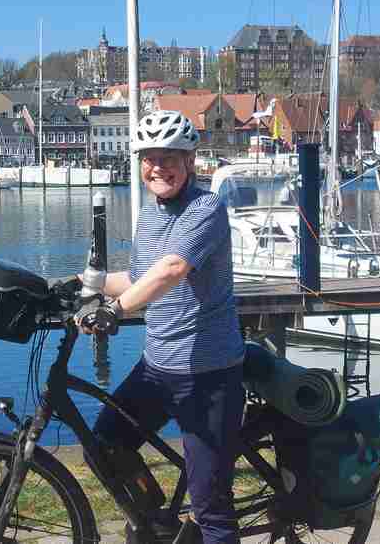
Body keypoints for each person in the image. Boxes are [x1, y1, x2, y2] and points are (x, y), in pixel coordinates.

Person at [75, 110, 245, 544]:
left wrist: (115, 311)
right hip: (157, 368)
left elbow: (171, 269)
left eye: (169, 157)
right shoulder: (150, 215)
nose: (157, 167)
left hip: (207, 375)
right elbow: (139, 279)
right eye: (149, 158)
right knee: (105, 443)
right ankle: (159, 524)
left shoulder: (206, 208)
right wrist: (81, 285)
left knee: (211, 508)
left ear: (189, 161)